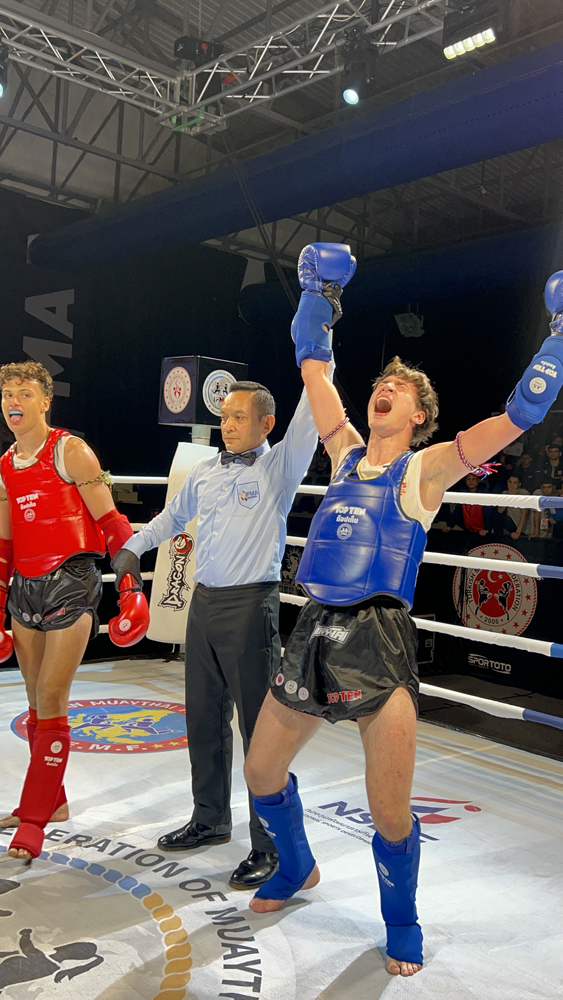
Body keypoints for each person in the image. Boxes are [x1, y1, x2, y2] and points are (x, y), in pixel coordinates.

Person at [242, 247, 563, 978]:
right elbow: (313, 366)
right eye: (379, 383)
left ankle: (401, 920)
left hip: (378, 637)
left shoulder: (429, 465)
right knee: (260, 772)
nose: (383, 388)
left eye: (399, 387)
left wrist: (557, 339)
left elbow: (520, 415)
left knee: (388, 810)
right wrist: (319, 296)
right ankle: (296, 865)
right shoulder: (343, 452)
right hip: (312, 629)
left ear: (418, 414)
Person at [119, 376, 320, 889]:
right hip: (203, 603)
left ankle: (270, 845)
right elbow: (172, 518)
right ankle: (209, 819)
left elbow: (309, 416)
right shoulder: (206, 472)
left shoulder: (280, 467)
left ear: (266, 424)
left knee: (259, 729)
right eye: (224, 417)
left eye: (238, 417)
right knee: (204, 719)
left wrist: (319, 352)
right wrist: (133, 547)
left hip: (251, 606)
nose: (227, 425)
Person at [0, 360, 149, 862]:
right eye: (7, 393)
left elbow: (113, 524)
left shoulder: (71, 451)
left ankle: (34, 818)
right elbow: (4, 544)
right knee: (34, 701)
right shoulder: (5, 465)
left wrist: (130, 589)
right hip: (25, 589)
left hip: (71, 581)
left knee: (51, 693)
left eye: (24, 393)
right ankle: (54, 800)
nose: (13, 402)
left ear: (45, 401)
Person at [441, 472, 491, 539]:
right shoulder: (463, 493)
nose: (471, 481)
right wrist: (450, 525)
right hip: (467, 529)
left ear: (478, 480)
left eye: (473, 479)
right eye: (468, 479)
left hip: (482, 531)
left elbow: (488, 513)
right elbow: (457, 511)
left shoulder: (484, 494)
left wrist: (487, 529)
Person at [496, 472, 533, 539]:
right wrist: (509, 496)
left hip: (523, 529)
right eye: (510, 482)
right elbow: (500, 510)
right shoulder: (505, 493)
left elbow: (524, 514)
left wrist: (518, 532)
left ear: (519, 484)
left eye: (515, 483)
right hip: (510, 526)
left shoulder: (524, 493)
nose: (512, 485)